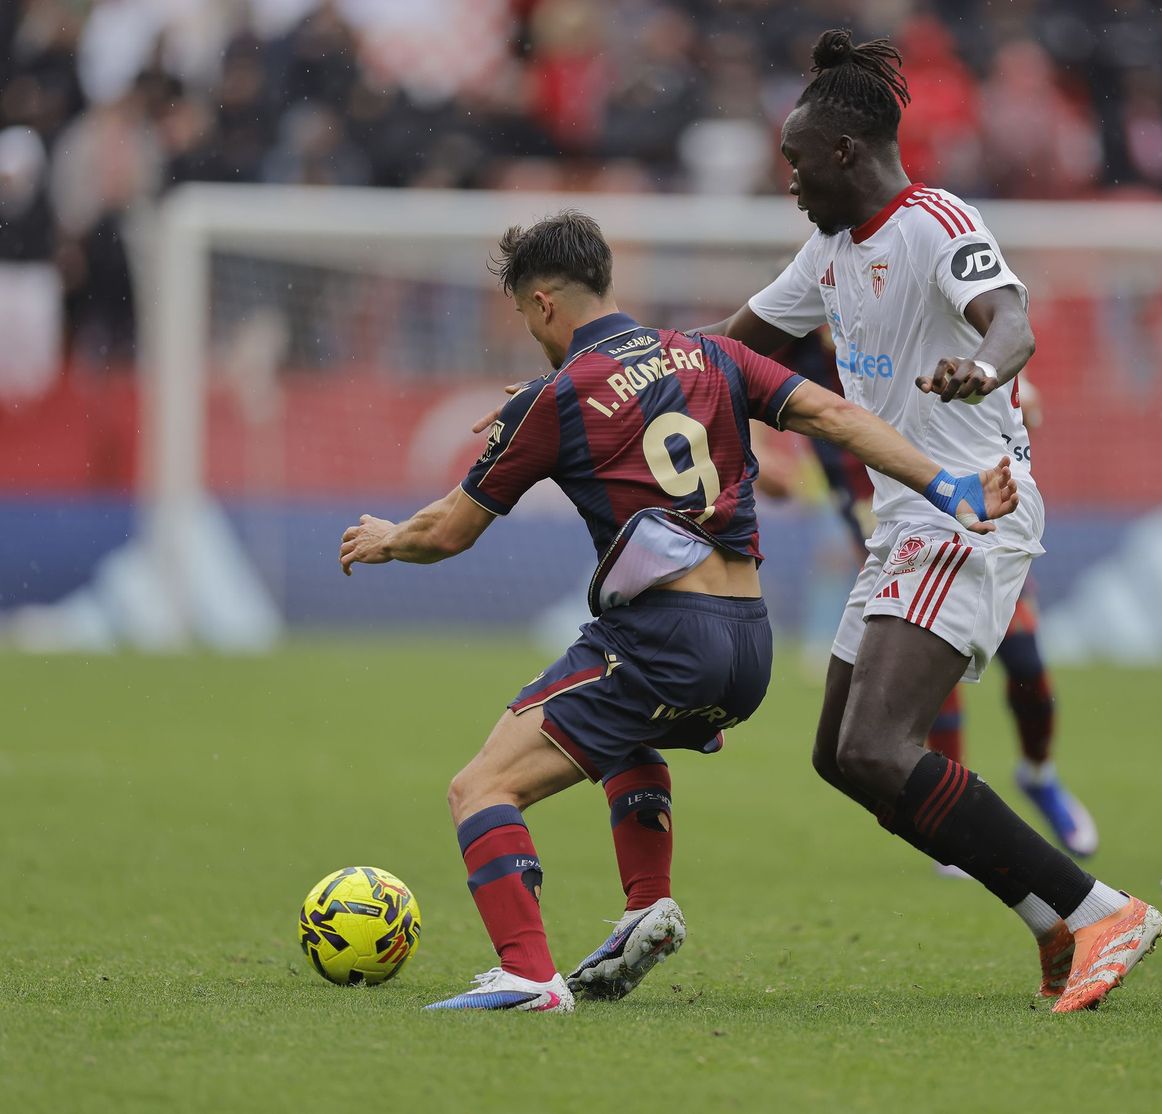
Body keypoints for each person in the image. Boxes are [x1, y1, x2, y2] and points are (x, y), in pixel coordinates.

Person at [340, 210, 1018, 1013]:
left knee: (482, 787)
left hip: (665, 637)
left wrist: (388, 539)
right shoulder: (712, 354)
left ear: (546, 304)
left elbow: (448, 532)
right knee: (621, 730)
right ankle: (644, 907)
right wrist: (951, 485)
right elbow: (836, 416)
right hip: (748, 650)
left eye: (526, 316)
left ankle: (526, 974)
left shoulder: (557, 400)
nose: (530, 334)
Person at [691, 29, 1162, 1012]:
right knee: (840, 756)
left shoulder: (937, 222)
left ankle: (1099, 908)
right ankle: (1049, 921)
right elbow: (727, 354)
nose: (787, 181)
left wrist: (983, 370)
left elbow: (1013, 322)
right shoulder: (826, 252)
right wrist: (616, 369)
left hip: (970, 509)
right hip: (904, 518)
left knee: (878, 747)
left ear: (845, 154)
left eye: (795, 162)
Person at [759, 332, 1098, 858]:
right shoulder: (801, 344)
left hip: (965, 510)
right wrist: (760, 460)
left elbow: (1011, 385)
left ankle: (1039, 774)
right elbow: (731, 378)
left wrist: (1013, 393)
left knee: (1028, 663)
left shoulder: (907, 318)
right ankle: (956, 806)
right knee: (928, 676)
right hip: (887, 521)